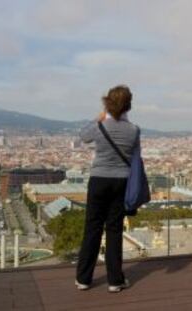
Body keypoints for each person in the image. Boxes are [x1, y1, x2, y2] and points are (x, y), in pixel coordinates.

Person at [75, 85, 140, 293]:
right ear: (128, 106)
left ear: (107, 103)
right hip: (121, 182)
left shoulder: (100, 126)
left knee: (92, 228)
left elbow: (82, 136)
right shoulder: (134, 130)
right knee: (114, 230)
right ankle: (115, 280)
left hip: (98, 180)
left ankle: (84, 279)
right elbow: (135, 158)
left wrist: (100, 116)